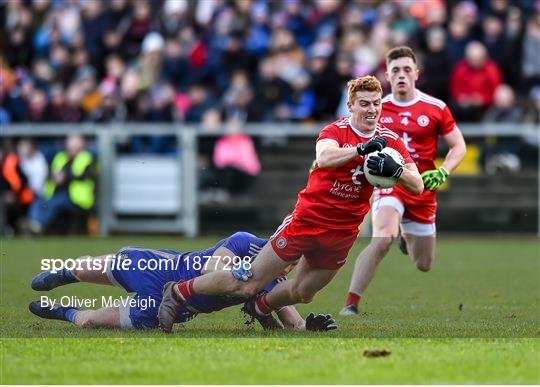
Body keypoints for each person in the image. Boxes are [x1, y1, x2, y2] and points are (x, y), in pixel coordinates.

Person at [158, 75, 424, 332]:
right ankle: (179, 291)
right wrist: (360, 150)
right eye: (364, 103)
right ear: (351, 105)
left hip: (342, 232)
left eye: (376, 103)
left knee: (304, 292)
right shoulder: (335, 130)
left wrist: (397, 172)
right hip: (307, 221)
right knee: (248, 282)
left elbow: (418, 184)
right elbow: (325, 157)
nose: (372, 109)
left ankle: (260, 307)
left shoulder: (390, 141)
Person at [340, 46, 466, 316]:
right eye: (395, 70)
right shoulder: (377, 107)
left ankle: (406, 237)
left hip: (422, 187)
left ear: (416, 74)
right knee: (382, 237)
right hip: (389, 184)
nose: (401, 75)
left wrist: (444, 171)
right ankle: (350, 303)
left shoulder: (436, 107)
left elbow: (459, 146)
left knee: (424, 264)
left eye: (407, 69)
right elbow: (350, 134)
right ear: (387, 74)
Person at [29, 231, 336, 332]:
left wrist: (309, 327)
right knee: (91, 267)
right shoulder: (244, 241)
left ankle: (63, 312)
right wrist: (246, 275)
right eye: (291, 256)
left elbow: (289, 319)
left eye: (297, 261)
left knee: (89, 323)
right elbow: (214, 267)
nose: (291, 265)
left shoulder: (270, 282)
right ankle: (63, 274)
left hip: (174, 306)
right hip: (162, 269)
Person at [29, 134, 95, 234]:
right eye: (71, 145)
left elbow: (84, 175)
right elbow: (50, 173)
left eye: (76, 145)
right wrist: (54, 177)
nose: (73, 148)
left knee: (54, 203)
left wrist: (64, 177)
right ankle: (33, 222)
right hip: (55, 193)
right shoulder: (61, 157)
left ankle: (39, 225)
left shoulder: (86, 158)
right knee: (38, 201)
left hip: (75, 198)